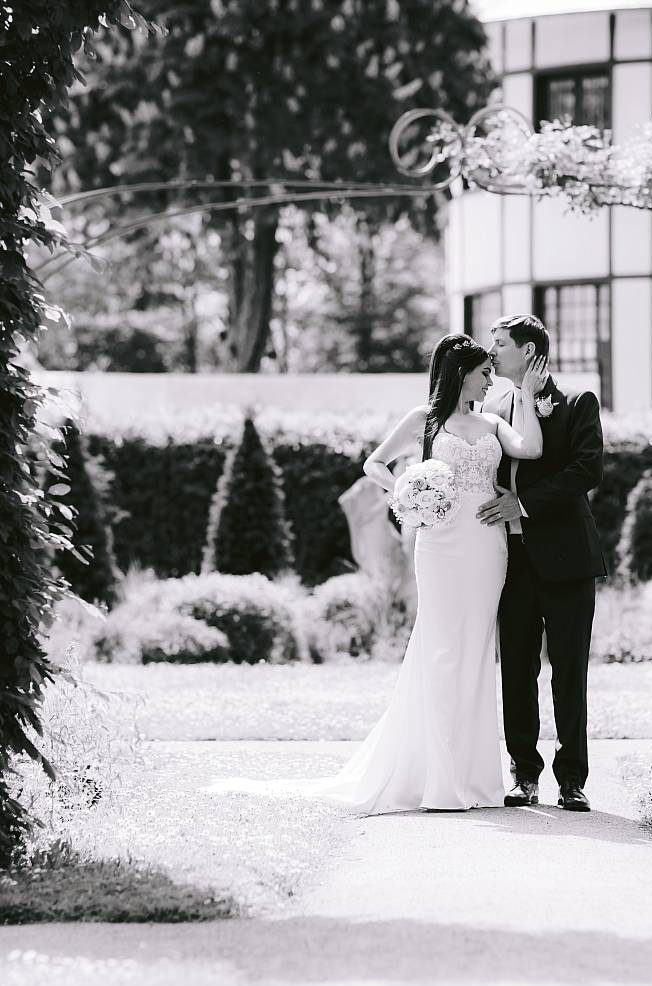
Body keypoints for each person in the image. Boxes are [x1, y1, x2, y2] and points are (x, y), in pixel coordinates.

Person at [211, 333, 547, 815]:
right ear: (459, 374)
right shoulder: (423, 422)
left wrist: (530, 398)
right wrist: (408, 490)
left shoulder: (494, 422)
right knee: (441, 648)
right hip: (440, 544)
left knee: (475, 652)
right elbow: (374, 463)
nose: (489, 379)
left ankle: (473, 778)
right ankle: (435, 777)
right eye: (482, 372)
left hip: (487, 547)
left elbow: (531, 449)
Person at [481, 314, 606, 812]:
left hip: (567, 558)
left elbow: (586, 469)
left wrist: (524, 504)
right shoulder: (490, 406)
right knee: (515, 669)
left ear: (530, 351)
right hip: (508, 560)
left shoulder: (577, 402)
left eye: (500, 345)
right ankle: (523, 774)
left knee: (569, 672)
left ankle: (572, 778)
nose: (492, 354)